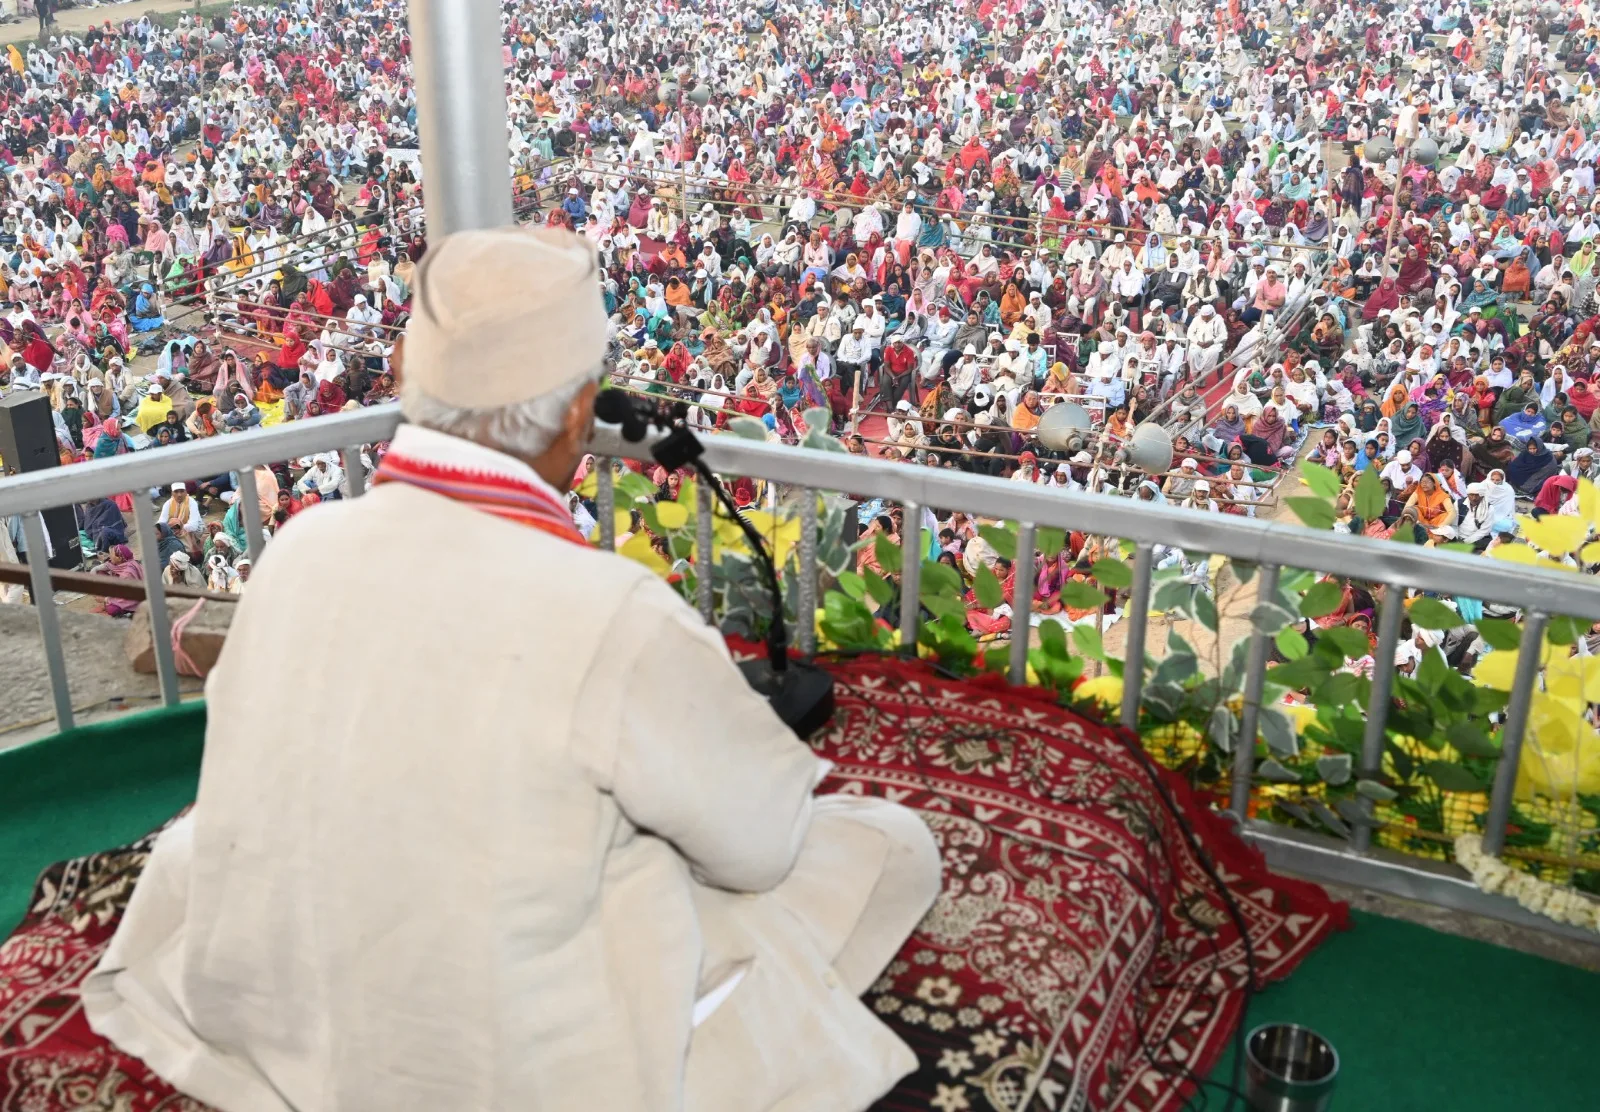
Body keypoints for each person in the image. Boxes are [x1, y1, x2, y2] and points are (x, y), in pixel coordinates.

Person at [84, 228, 940, 1112]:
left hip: (273, 1010)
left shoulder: (299, 547)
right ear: (580, 416)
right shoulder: (611, 611)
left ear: (416, 378)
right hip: (494, 1068)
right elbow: (760, 846)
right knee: (885, 848)